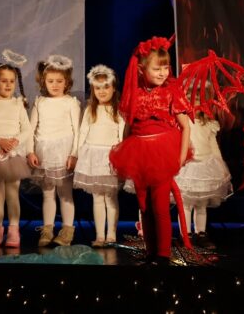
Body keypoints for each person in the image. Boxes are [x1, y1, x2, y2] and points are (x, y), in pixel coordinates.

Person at [109, 36, 192, 265]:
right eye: (157, 68)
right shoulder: (134, 92)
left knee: (160, 205)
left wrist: (180, 157)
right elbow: (129, 125)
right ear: (141, 69)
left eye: (166, 67)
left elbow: (185, 126)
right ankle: (151, 251)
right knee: (144, 205)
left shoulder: (171, 91)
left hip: (162, 153)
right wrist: (125, 152)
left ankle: (163, 254)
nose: (163, 72)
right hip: (139, 153)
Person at [0, 49, 32, 248]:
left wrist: (13, 142)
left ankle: (14, 231)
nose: (8, 85)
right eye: (4, 81)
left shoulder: (18, 103)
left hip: (13, 153)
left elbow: (26, 129)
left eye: (11, 81)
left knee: (12, 193)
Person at [26, 55, 80, 247]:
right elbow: (30, 129)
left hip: (64, 152)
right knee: (48, 193)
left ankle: (67, 231)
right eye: (51, 81)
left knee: (65, 193)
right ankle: (47, 230)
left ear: (67, 82)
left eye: (59, 81)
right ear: (44, 82)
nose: (55, 85)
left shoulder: (70, 102)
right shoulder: (40, 102)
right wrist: (30, 151)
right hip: (44, 152)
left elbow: (77, 130)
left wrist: (74, 154)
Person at [175, 86, 233, 250]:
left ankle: (201, 233)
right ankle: (185, 235)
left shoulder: (209, 123)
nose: (194, 102)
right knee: (185, 204)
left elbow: (213, 146)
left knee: (201, 204)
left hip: (205, 167)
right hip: (187, 166)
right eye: (190, 99)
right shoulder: (182, 121)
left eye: (197, 99)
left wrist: (221, 165)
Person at [73, 65, 124, 247]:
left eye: (106, 87)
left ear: (114, 88)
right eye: (97, 88)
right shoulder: (90, 110)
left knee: (110, 197)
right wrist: (77, 154)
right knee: (97, 198)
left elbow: (122, 135)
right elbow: (82, 133)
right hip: (92, 157)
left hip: (111, 157)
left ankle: (111, 235)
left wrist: (121, 156)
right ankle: (100, 236)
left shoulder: (118, 110)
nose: (102, 91)